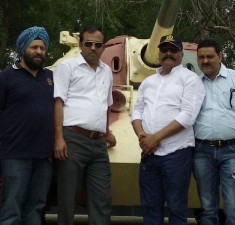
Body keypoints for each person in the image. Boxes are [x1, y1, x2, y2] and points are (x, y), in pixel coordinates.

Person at [131, 34, 205, 225]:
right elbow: (137, 111)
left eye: (173, 49)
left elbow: (187, 116)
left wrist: (155, 138)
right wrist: (143, 137)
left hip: (176, 154)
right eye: (165, 49)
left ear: (181, 53)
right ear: (159, 53)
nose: (169, 53)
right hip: (149, 154)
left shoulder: (190, 79)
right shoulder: (148, 82)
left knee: (177, 208)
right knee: (150, 208)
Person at [193, 39, 235, 225]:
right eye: (201, 57)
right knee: (207, 208)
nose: (205, 61)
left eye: (210, 56)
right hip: (201, 152)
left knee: (233, 205)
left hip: (233, 151)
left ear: (220, 56)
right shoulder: (194, 84)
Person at [53, 26, 116, 225]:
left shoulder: (107, 71)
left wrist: (106, 131)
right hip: (73, 139)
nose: (93, 48)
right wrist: (59, 138)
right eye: (88, 44)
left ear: (103, 47)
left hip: (98, 144)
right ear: (81, 45)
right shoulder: (67, 67)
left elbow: (106, 105)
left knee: (101, 199)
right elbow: (58, 102)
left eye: (98, 44)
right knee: (67, 198)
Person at [0, 26, 54, 225]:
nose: (39, 51)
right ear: (23, 48)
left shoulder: (50, 78)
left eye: (42, 47)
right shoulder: (6, 77)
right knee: (11, 209)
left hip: (44, 157)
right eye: (34, 47)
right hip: (15, 154)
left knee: (35, 208)